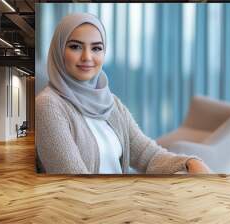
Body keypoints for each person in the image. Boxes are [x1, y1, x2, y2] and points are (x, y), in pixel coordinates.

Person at [35, 12, 210, 174]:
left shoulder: (111, 103)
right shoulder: (48, 105)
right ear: (58, 51)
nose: (87, 57)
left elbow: (147, 156)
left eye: (96, 48)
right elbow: (74, 181)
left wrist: (190, 162)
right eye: (75, 47)